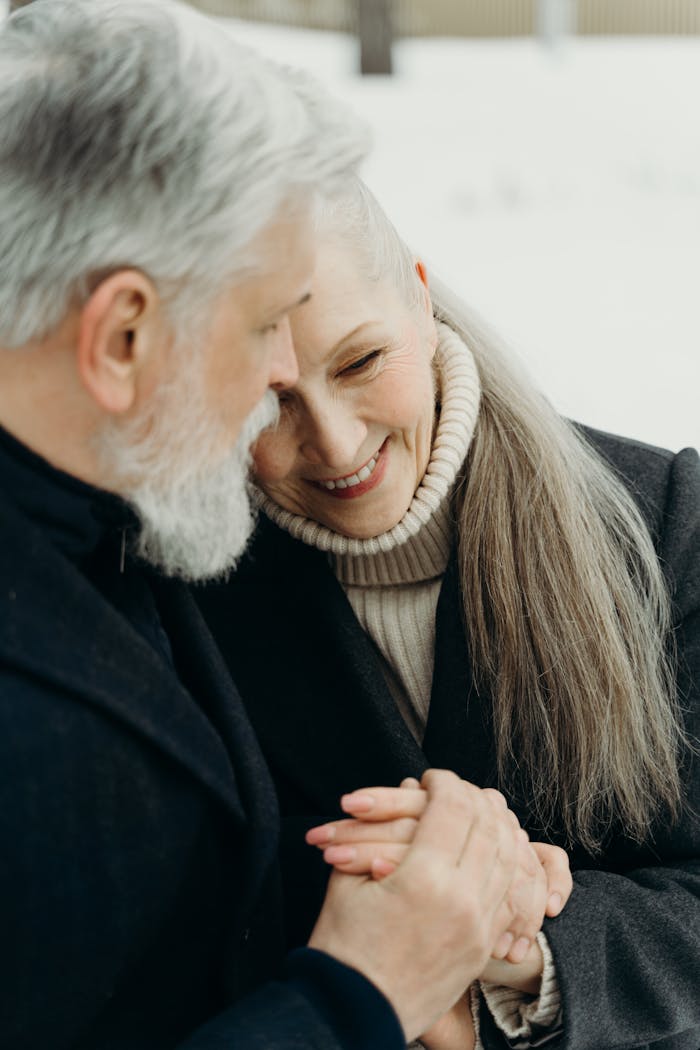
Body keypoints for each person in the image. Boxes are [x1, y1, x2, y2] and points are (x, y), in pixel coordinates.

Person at [0, 3, 559, 1047]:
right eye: (262, 326)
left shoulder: (125, 509)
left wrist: (455, 880)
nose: (275, 376)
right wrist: (358, 996)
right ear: (121, 335)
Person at [197, 177, 700, 1050]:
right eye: (268, 402)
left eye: (360, 362)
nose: (338, 443)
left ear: (422, 299)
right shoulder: (185, 586)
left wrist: (527, 958)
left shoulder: (667, 521)